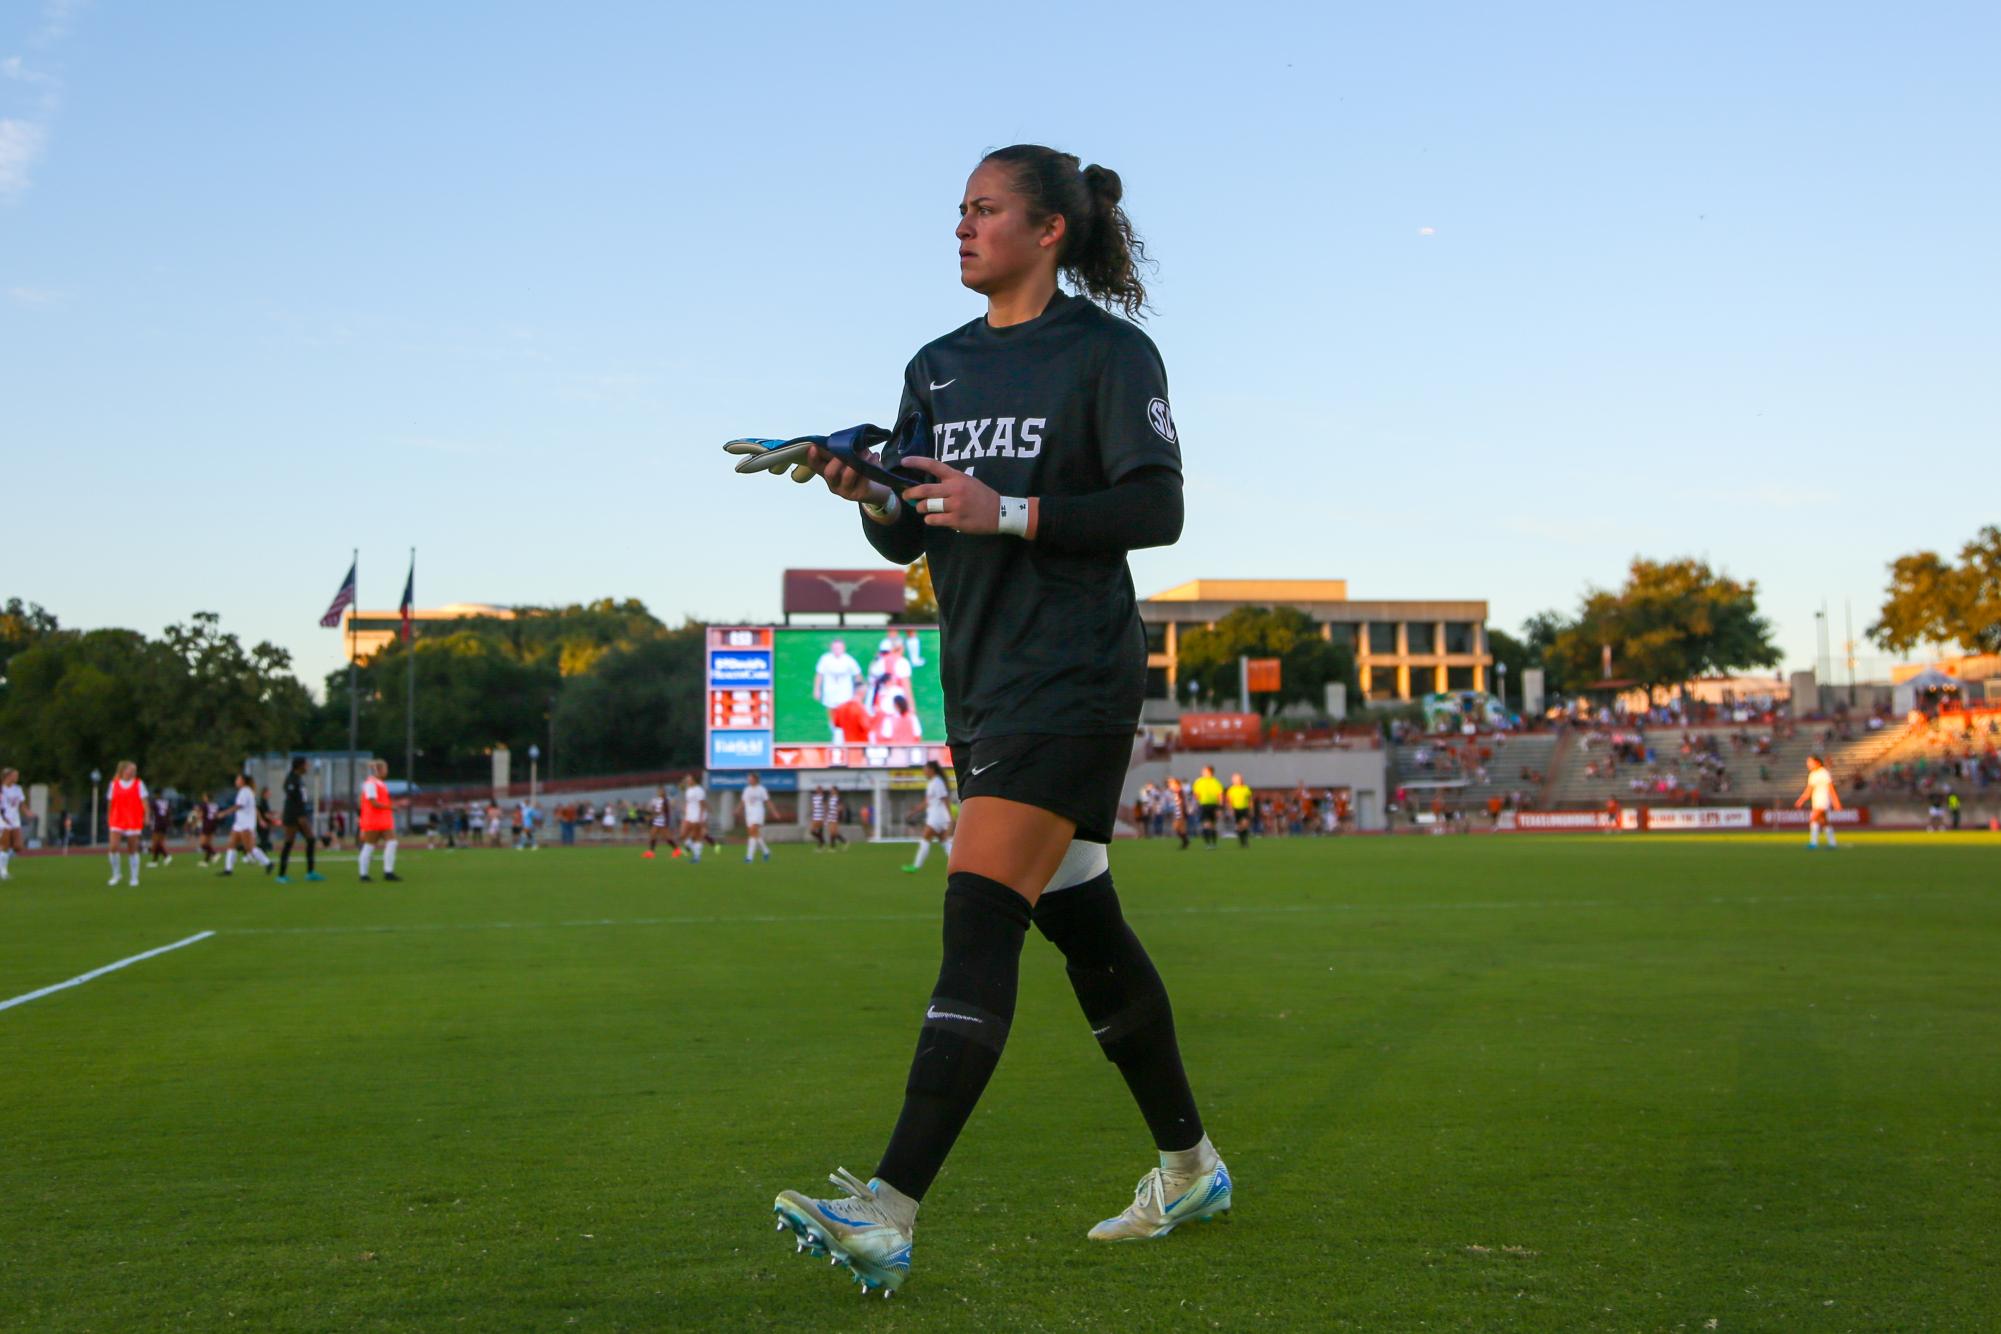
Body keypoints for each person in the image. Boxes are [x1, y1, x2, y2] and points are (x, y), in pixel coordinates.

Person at [767, 145, 1225, 1296]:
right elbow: (916, 529)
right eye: (960, 210)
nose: (961, 226)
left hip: (1071, 673)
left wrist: (1008, 506)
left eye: (983, 209)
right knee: (1087, 928)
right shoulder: (938, 365)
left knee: (978, 917)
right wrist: (867, 485)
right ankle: (1190, 1163)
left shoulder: (1110, 353)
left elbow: (1157, 503)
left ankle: (889, 1204)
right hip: (978, 676)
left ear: (1048, 230)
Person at [276, 757, 323, 884]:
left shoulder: (298, 779)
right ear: (300, 766)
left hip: (300, 814)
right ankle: (281, 875)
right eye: (306, 765)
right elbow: (292, 800)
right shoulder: (291, 779)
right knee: (289, 843)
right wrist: (299, 816)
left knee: (311, 840)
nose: (307, 767)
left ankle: (310, 872)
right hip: (293, 816)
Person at [217, 771, 273, 877]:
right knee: (231, 845)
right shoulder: (247, 791)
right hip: (239, 824)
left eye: (238, 779)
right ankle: (228, 869)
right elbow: (254, 807)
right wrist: (260, 819)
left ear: (242, 781)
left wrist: (224, 813)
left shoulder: (245, 791)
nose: (236, 781)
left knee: (250, 847)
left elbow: (239, 806)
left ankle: (268, 863)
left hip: (246, 824)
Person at [904, 759, 955, 873]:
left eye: (925, 769)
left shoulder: (937, 782)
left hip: (936, 817)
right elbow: (927, 802)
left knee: (925, 839)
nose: (924, 771)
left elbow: (944, 798)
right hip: (937, 817)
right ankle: (958, 864)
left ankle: (915, 866)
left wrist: (950, 817)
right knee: (944, 842)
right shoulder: (933, 782)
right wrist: (913, 812)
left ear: (931, 770)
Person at [106, 761, 149, 886]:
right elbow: (110, 802)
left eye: (134, 770)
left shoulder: (139, 784)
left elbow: (145, 802)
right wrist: (109, 816)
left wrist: (146, 815)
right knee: (113, 847)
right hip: (117, 818)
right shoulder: (114, 784)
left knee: (132, 848)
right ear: (124, 770)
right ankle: (116, 874)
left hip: (133, 819)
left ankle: (134, 877)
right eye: (131, 769)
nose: (133, 772)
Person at [814, 638, 865, 742]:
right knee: (832, 714)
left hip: (844, 694)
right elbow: (819, 674)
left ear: (843, 648)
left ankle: (843, 736)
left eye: (839, 648)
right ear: (831, 648)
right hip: (830, 693)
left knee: (844, 715)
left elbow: (858, 676)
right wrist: (817, 689)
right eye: (835, 648)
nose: (837, 650)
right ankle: (835, 734)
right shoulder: (825, 659)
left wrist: (858, 693)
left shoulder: (849, 660)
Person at [358, 760, 401, 881]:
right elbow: (373, 803)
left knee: (392, 843)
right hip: (373, 820)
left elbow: (381, 801)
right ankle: (363, 874)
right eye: (385, 769)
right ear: (379, 770)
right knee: (369, 846)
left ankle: (388, 872)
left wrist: (394, 804)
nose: (387, 771)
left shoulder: (380, 783)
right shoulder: (370, 783)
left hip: (383, 820)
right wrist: (391, 807)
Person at [1794, 754, 1842, 850]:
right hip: (1816, 801)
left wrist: (1836, 802)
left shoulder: (1824, 773)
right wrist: (1801, 800)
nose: (1808, 764)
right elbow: (1809, 790)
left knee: (1813, 819)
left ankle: (1813, 843)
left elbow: (1831, 788)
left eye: (1810, 762)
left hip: (1823, 801)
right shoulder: (1812, 774)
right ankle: (1832, 844)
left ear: (1817, 762)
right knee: (1824, 822)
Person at [0, 767, 25, 880]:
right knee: (3, 846)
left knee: (18, 846)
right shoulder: (1, 789)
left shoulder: (18, 788)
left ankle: (3, 863)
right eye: (15, 775)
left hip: (15, 819)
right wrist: (4, 817)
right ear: (7, 776)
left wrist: (27, 812)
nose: (17, 777)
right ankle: (3, 872)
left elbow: (21, 803)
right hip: (3, 819)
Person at [742, 773, 773, 863]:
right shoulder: (746, 790)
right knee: (754, 834)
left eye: (751, 779)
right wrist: (737, 810)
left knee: (752, 833)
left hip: (758, 813)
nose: (749, 780)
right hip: (749, 814)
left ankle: (749, 857)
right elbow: (743, 801)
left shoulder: (762, 789)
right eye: (748, 779)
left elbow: (767, 801)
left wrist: (774, 812)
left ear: (755, 779)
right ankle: (766, 851)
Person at [644, 784, 680, 860]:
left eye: (661, 791)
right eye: (658, 791)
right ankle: (651, 852)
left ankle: (677, 850)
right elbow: (652, 809)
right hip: (657, 819)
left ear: (663, 792)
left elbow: (661, 811)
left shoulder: (665, 800)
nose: (659, 792)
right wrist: (649, 812)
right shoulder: (656, 799)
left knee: (666, 837)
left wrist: (651, 816)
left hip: (663, 820)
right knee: (652, 834)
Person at [1191, 764, 1223, 849]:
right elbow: (1196, 795)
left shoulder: (1215, 782)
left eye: (1204, 771)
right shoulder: (1199, 782)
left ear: (1210, 772)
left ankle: (1213, 843)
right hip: (1203, 805)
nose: (1202, 772)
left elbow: (1219, 795)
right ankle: (1208, 844)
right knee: (1206, 824)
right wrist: (1194, 804)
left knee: (1212, 825)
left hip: (1214, 805)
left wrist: (1219, 808)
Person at [679, 775, 707, 864]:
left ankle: (696, 857)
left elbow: (702, 805)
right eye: (687, 780)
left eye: (689, 779)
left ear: (694, 780)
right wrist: (685, 811)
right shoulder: (688, 790)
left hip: (697, 814)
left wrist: (701, 818)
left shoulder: (699, 790)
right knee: (683, 834)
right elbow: (687, 802)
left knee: (696, 836)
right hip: (689, 815)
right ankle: (690, 847)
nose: (688, 781)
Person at [1225, 772, 1254, 849]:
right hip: (1236, 809)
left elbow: (1250, 800)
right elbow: (1229, 801)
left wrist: (1251, 809)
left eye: (1239, 779)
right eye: (1235, 779)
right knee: (1239, 826)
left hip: (1244, 809)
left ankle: (1245, 840)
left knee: (1245, 824)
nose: (1238, 781)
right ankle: (1242, 841)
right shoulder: (1231, 789)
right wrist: (1230, 810)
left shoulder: (1246, 788)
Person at [148, 789, 174, 868]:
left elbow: (150, 812)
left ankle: (166, 856)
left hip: (157, 823)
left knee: (156, 842)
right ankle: (154, 862)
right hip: (165, 823)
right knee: (159, 842)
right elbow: (169, 812)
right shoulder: (166, 802)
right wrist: (169, 822)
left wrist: (148, 820)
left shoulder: (154, 802)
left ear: (156, 794)